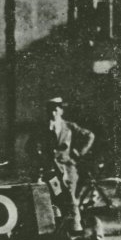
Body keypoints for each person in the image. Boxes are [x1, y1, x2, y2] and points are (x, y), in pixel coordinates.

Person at [30, 97, 95, 231]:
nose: (53, 113)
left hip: (67, 168)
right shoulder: (43, 128)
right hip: (49, 169)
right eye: (50, 111)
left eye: (55, 110)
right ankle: (54, 229)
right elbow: (29, 146)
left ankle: (76, 228)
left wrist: (79, 152)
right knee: (51, 199)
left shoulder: (69, 126)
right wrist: (39, 156)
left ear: (61, 111)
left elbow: (90, 136)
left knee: (70, 198)